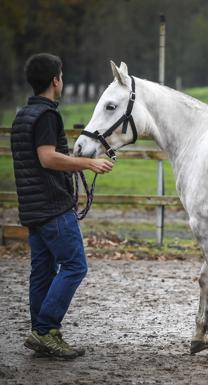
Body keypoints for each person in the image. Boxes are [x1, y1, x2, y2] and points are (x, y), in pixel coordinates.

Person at [10, 53, 114, 359]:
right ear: (56, 80)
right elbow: (47, 158)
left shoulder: (22, 115)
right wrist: (89, 163)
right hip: (52, 207)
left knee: (42, 271)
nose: (63, 81)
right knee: (75, 265)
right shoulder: (47, 116)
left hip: (32, 208)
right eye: (62, 76)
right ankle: (45, 329)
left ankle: (41, 333)